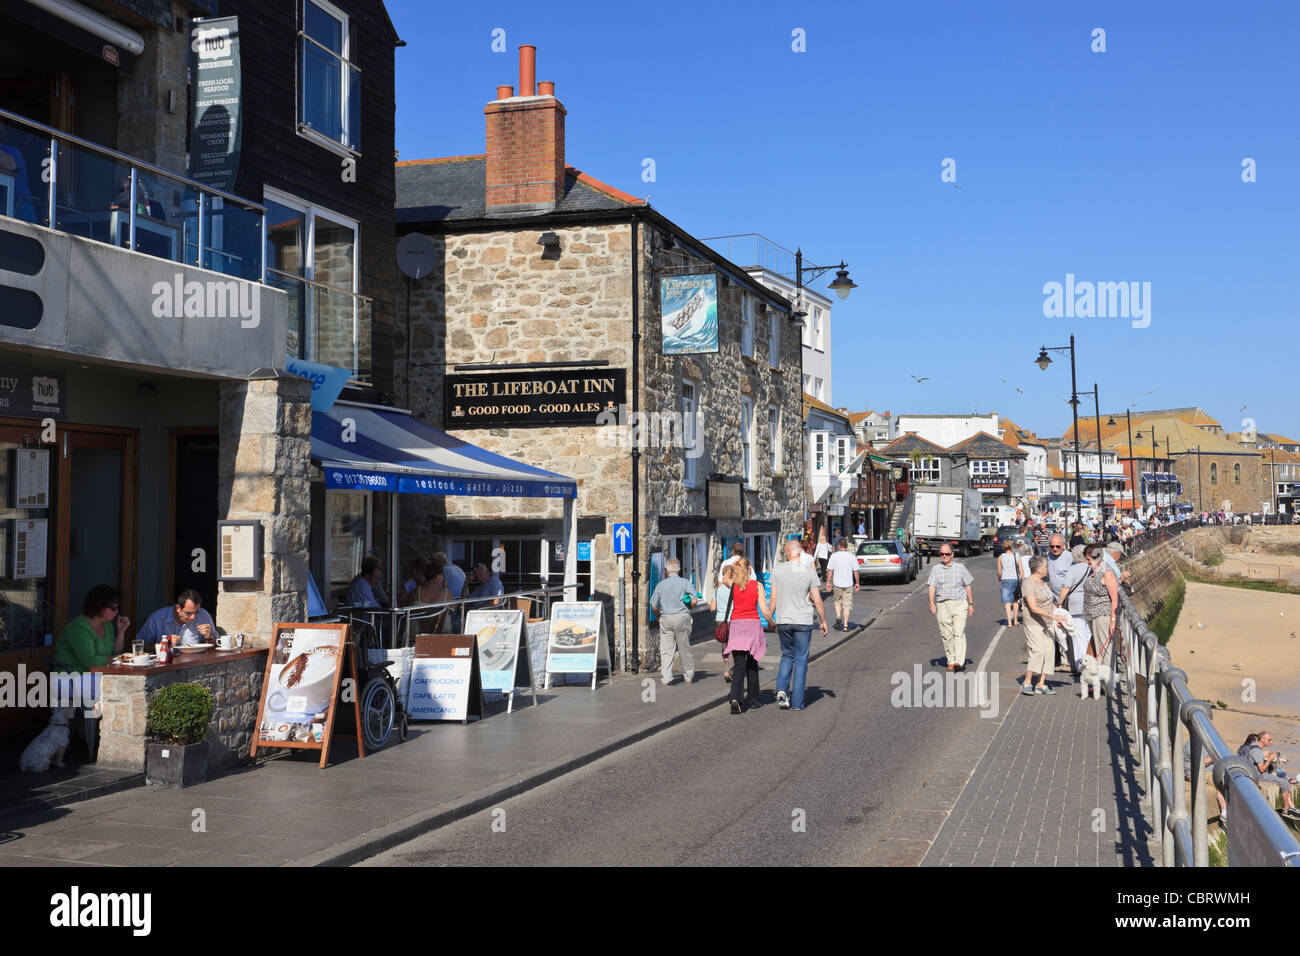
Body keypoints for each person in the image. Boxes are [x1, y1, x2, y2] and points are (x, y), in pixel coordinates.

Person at [768, 539, 829, 711]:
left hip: (784, 620)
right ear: (799, 553)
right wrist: (823, 621)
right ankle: (797, 703)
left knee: (787, 654)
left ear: (788, 553)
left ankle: (781, 689)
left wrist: (770, 619)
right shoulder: (809, 571)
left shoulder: (778, 571)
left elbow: (773, 598)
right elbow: (817, 599)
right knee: (801, 660)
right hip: (802, 620)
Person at [724, 557, 770, 714]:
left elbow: (724, 579)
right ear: (749, 569)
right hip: (752, 625)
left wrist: (732, 567)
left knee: (738, 665)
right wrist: (771, 622)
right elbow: (764, 610)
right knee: (752, 663)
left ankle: (735, 698)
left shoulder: (733, 586)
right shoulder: (757, 586)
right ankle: (754, 700)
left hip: (737, 625)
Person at [54, 585, 129, 673]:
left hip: (96, 676)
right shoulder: (79, 628)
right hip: (71, 677)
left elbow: (115, 653)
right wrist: (120, 659)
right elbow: (89, 662)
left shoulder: (107, 625)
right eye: (113, 608)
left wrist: (121, 632)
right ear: (99, 607)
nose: (117, 611)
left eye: (118, 608)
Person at [927, 544, 974, 671]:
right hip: (943, 605)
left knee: (958, 632)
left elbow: (967, 586)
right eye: (941, 554)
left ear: (952, 554)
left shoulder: (960, 568)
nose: (944, 556)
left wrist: (971, 604)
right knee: (946, 634)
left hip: (959, 603)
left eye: (947, 554)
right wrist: (932, 603)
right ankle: (951, 660)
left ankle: (959, 661)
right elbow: (931, 587)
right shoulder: (935, 569)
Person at [649, 557, 695, 686]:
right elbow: (694, 600)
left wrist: (658, 615)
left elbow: (653, 605)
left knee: (666, 649)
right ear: (679, 570)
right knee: (684, 647)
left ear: (667, 570)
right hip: (681, 616)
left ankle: (667, 678)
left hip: (666, 617)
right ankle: (688, 676)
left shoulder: (661, 585)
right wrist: (689, 607)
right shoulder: (685, 583)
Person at [1239, 733, 1300, 819]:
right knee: (1284, 783)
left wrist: (1264, 757)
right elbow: (1261, 769)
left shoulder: (1252, 747)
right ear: (1262, 740)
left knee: (1282, 777)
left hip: (1252, 772)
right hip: (1258, 775)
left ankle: (1291, 806)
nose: (1271, 741)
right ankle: (1286, 810)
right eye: (1269, 740)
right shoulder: (1257, 751)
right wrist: (1269, 760)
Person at [1019, 556, 1057, 695]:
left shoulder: (1043, 583)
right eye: (1046, 567)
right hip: (1034, 622)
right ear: (1039, 569)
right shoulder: (1028, 583)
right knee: (1038, 651)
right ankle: (1027, 682)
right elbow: (1033, 607)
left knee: (1049, 651)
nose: (1048, 569)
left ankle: (1041, 684)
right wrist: (1052, 615)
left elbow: (1049, 601)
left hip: (1047, 622)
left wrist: (1058, 614)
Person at [137, 588, 215, 647]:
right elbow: (140, 645)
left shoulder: (203, 615)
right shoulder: (158, 617)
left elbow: (217, 645)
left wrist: (210, 637)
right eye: (188, 613)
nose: (193, 617)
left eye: (196, 612)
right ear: (178, 608)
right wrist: (162, 645)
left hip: (194, 665)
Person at [1056, 545, 1091, 672]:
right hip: (1090, 602)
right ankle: (1091, 661)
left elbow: (1066, 587)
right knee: (1088, 634)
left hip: (1076, 604)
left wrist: (1060, 603)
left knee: (1077, 634)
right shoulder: (1091, 567)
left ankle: (1080, 665)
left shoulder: (1073, 569)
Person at [1081, 544, 1119, 660]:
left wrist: (1113, 620)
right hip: (1092, 615)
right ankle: (1101, 675)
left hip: (1102, 615)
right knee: (1098, 647)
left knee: (1104, 648)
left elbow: (1114, 598)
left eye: (1089, 559)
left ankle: (1106, 676)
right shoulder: (1094, 570)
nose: (1087, 562)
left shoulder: (1106, 572)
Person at [825, 537, 859, 631]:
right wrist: (857, 583)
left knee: (837, 602)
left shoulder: (834, 556)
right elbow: (856, 571)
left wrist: (828, 582)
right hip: (848, 584)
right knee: (847, 605)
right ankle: (845, 625)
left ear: (838, 546)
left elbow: (830, 571)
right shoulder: (852, 557)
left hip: (837, 584)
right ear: (847, 546)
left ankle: (839, 616)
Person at [710, 564, 736, 684]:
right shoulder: (735, 588)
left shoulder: (717, 589)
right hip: (733, 618)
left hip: (720, 619)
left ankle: (727, 666)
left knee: (724, 644)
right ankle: (728, 670)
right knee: (733, 645)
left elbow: (712, 607)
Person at [997, 540, 1020, 627]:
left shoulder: (1000, 557)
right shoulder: (1016, 555)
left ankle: (1009, 622)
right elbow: (1020, 568)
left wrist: (999, 579)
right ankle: (1016, 620)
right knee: (1015, 600)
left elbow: (999, 572)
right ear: (1012, 547)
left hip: (1005, 579)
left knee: (1007, 602)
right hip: (1015, 579)